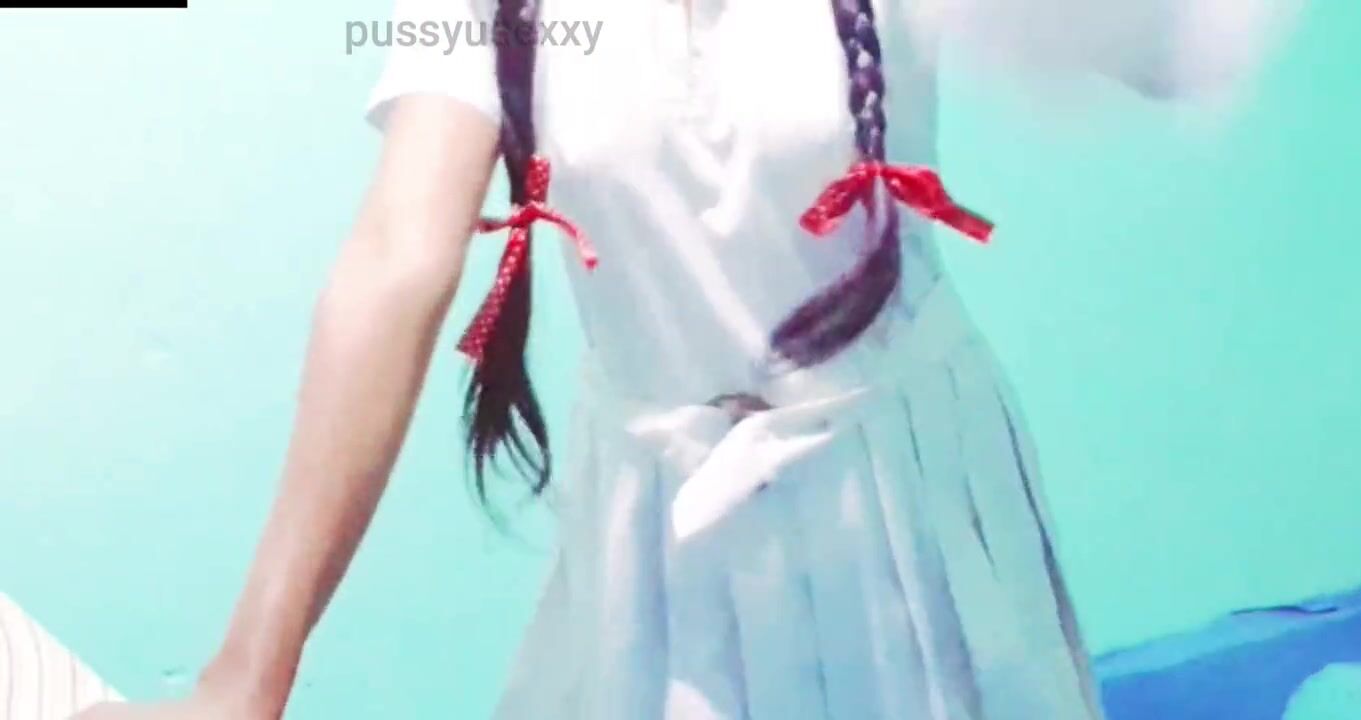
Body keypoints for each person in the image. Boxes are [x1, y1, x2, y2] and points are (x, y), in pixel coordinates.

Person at [77, 0, 1293, 717]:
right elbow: (398, 253)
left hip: (907, 507)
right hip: (655, 546)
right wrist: (250, 673)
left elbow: (1162, 50)